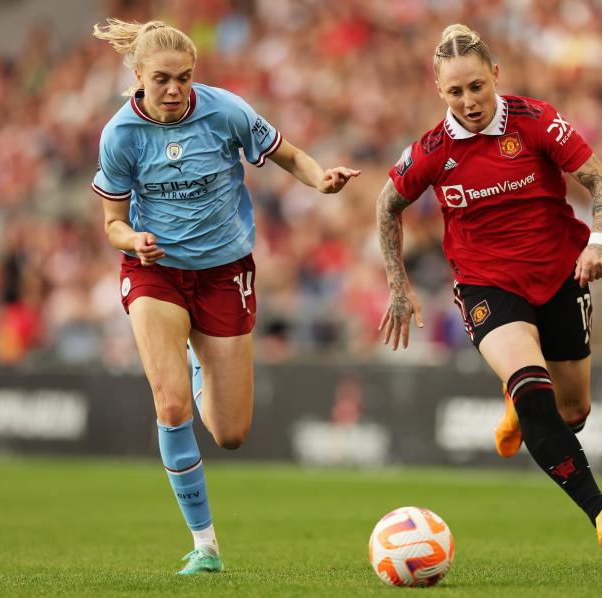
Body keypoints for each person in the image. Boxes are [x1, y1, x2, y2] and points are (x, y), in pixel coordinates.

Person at [92, 19, 359, 575]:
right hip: (155, 273)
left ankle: (198, 363)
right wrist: (133, 240)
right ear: (137, 77)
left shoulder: (225, 110)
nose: (174, 90)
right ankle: (205, 545)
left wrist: (319, 179)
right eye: (161, 79)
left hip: (224, 273)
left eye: (183, 78)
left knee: (231, 433)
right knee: (171, 406)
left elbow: (286, 152)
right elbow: (113, 222)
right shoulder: (119, 134)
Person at [376, 24, 602, 558]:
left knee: (574, 411)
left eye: (476, 87)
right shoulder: (431, 150)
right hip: (487, 284)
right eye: (454, 91)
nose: (468, 101)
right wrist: (398, 287)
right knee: (533, 390)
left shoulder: (537, 121)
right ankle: (600, 510)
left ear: (495, 75)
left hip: (563, 273)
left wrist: (599, 242)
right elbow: (386, 206)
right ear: (438, 91)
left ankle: (517, 401)